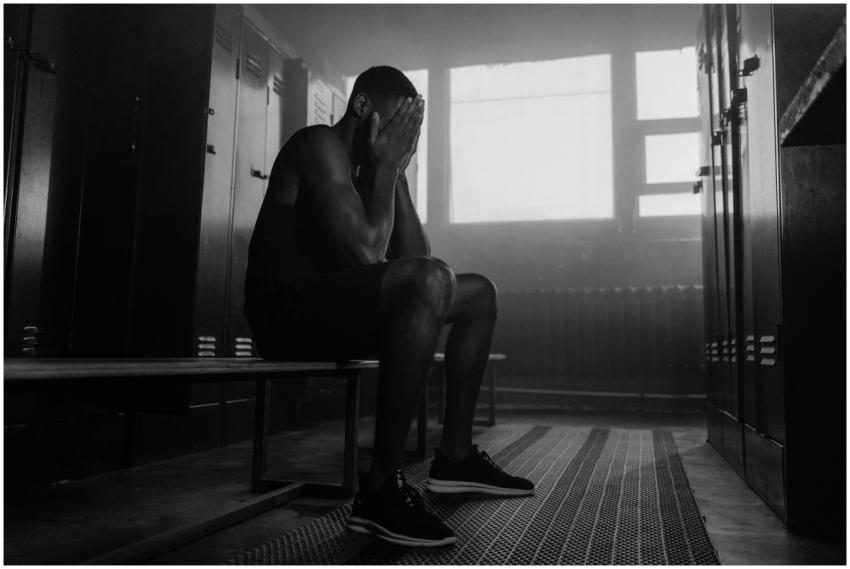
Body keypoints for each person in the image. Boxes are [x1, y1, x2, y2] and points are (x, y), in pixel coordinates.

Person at [244, 66, 533, 547]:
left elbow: (421, 261)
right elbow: (369, 254)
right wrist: (385, 170)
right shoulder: (320, 145)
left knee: (479, 292)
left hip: (334, 309)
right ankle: (379, 491)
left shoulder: (373, 169)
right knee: (429, 280)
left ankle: (455, 457)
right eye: (395, 124)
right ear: (361, 107)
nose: (402, 138)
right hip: (286, 316)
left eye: (409, 131)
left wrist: (393, 174)